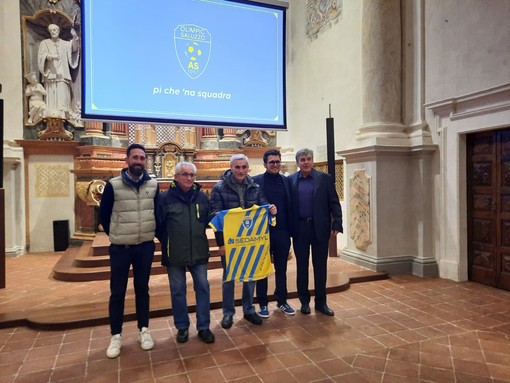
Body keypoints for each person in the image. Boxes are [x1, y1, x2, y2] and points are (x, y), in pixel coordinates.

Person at [99, 144, 160, 358]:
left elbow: (157, 213)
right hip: (121, 248)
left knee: (142, 289)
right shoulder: (113, 185)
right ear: (127, 160)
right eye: (135, 157)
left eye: (142, 158)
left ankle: (144, 330)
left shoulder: (153, 184)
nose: (139, 161)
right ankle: (116, 335)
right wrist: (117, 234)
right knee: (118, 292)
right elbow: (104, 216)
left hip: (144, 246)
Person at [210, 153, 276, 328]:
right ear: (231, 168)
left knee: (250, 275)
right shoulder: (219, 188)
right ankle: (228, 313)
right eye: (237, 167)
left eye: (243, 167)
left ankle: (248, 309)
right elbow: (215, 216)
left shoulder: (255, 186)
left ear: (248, 168)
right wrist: (221, 243)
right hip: (230, 242)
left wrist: (270, 208)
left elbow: (263, 206)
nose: (240, 170)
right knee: (229, 278)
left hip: (250, 240)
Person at [157, 162, 215, 344]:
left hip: (198, 251)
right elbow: (158, 226)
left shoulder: (202, 198)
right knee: (177, 291)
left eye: (192, 175)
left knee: (203, 288)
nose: (189, 178)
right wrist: (169, 241)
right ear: (176, 177)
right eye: (185, 174)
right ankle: (182, 327)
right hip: (174, 253)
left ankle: (204, 327)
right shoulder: (164, 198)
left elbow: (208, 221)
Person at [289, 148, 343, 316]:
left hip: (320, 228)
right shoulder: (290, 180)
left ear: (312, 161)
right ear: (297, 163)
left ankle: (321, 303)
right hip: (300, 229)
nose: (306, 162)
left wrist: (337, 224)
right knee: (302, 267)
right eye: (303, 159)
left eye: (309, 159)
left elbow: (334, 203)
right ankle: (304, 302)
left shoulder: (324, 179)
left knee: (320, 267)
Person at [253, 149, 295, 318]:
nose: (275, 165)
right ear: (265, 164)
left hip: (282, 232)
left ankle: (282, 300)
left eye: (278, 162)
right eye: (272, 162)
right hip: (262, 233)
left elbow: (290, 206)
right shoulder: (255, 182)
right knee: (262, 269)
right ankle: (262, 303)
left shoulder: (286, 181)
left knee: (282, 268)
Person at [37, 23, 80, 119]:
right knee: (51, 94)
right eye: (51, 30)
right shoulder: (44, 43)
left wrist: (75, 37)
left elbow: (74, 48)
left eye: (55, 30)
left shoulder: (65, 43)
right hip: (50, 73)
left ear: (59, 31)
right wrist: (50, 57)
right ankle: (50, 114)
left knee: (63, 94)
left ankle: (63, 113)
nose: (53, 32)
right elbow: (41, 55)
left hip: (62, 73)